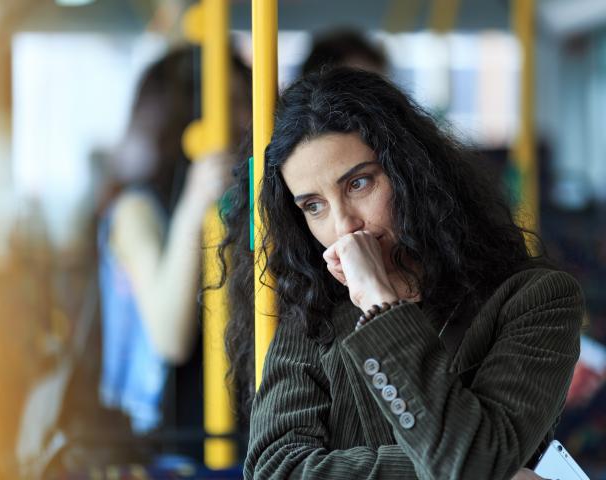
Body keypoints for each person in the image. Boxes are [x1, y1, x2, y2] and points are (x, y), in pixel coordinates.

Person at [219, 68, 584, 478]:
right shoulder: (312, 305)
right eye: (313, 206)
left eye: (358, 183)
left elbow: (472, 462)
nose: (343, 226)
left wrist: (380, 302)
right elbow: (276, 470)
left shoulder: (536, 299)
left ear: (411, 172)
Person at [98, 46, 251, 437]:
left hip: (234, 422)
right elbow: (169, 339)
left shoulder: (241, 200)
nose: (244, 118)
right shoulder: (136, 209)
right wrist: (195, 203)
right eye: (229, 102)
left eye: (245, 100)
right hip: (164, 435)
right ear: (183, 122)